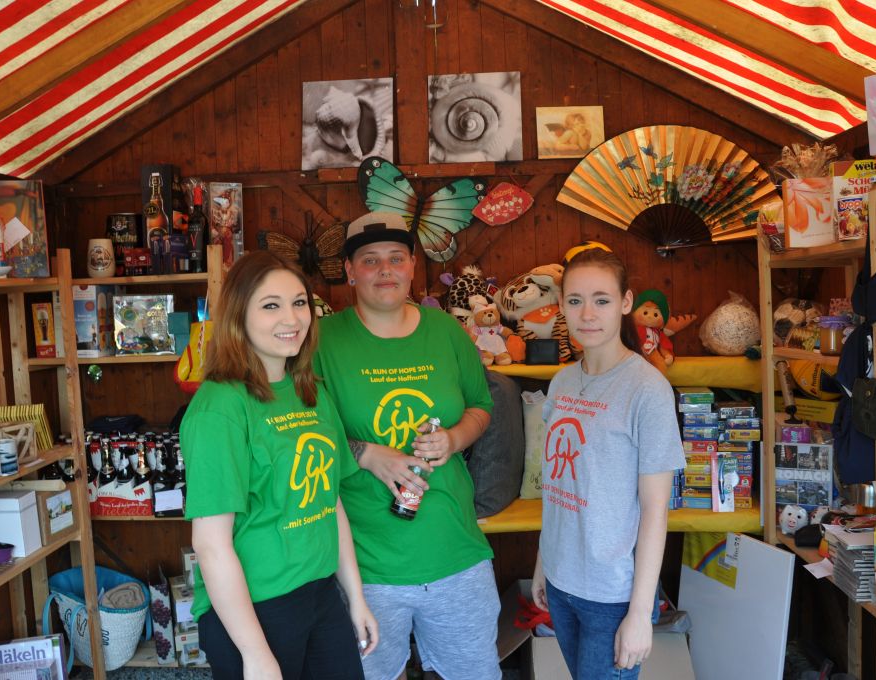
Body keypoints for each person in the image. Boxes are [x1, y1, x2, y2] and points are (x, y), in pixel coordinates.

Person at [314, 211, 501, 680]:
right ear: (350, 271)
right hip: (365, 562)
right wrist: (365, 453)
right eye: (370, 260)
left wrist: (454, 438)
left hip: (454, 549)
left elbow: (480, 406)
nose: (385, 270)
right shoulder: (321, 341)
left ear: (413, 265)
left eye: (396, 258)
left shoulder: (446, 332)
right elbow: (301, 433)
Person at [181, 250, 378, 680]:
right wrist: (255, 654)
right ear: (239, 316)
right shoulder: (220, 407)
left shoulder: (310, 391)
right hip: (254, 609)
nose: (292, 318)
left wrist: (355, 596)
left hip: (321, 596)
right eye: (271, 305)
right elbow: (211, 545)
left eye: (299, 302)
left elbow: (329, 502)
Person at [532, 246, 684, 679]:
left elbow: (655, 510)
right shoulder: (563, 382)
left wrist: (639, 612)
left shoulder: (647, 390)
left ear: (626, 302)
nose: (587, 314)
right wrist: (543, 564)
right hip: (561, 582)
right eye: (575, 301)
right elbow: (560, 483)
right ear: (561, 306)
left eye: (601, 300)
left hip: (612, 596)